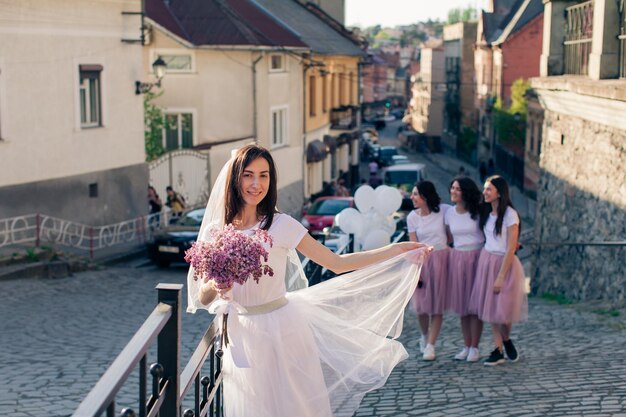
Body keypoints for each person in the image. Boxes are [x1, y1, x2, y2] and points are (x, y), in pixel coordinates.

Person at [187, 144, 431, 417]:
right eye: (248, 175)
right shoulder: (217, 231)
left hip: (282, 330)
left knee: (295, 407)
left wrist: (395, 250)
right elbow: (203, 295)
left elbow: (336, 264)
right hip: (241, 333)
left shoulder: (281, 225)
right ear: (235, 178)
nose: (256, 184)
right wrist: (216, 286)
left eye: (264, 175)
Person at [469, 175, 528, 366]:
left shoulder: (510, 215)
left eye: (488, 189)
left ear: (499, 193)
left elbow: (511, 247)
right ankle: (498, 349)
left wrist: (501, 276)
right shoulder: (486, 212)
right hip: (487, 260)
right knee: (491, 308)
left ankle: (506, 339)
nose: (484, 192)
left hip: (505, 263)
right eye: (484, 189)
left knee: (504, 309)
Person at [407, 181, 451, 361]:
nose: (412, 197)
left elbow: (451, 233)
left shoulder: (444, 211)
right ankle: (424, 336)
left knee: (437, 306)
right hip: (422, 261)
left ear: (425, 196)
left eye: (415, 194)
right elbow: (412, 244)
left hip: (441, 260)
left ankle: (431, 345)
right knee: (421, 307)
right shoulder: (412, 217)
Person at [445, 177, 485, 362]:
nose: (453, 191)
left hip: (477, 256)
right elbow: (447, 237)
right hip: (458, 257)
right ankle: (466, 345)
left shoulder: (478, 212)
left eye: (458, 189)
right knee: (462, 306)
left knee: (475, 305)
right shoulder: (449, 213)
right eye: (452, 187)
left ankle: (475, 347)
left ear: (466, 192)